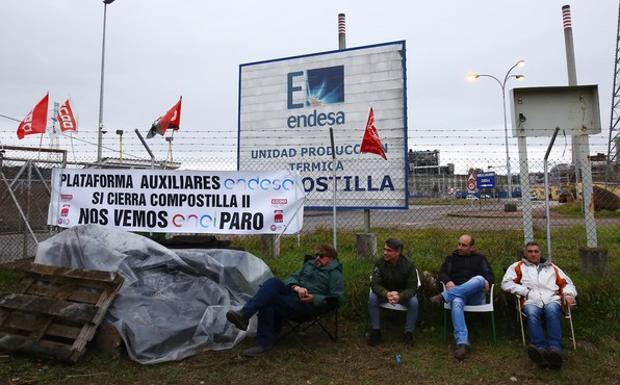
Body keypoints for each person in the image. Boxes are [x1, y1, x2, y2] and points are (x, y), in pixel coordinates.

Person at [226, 244, 344, 357]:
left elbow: (337, 298)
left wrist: (314, 298)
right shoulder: (310, 264)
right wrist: (297, 287)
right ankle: (244, 315)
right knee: (273, 282)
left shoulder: (334, 274)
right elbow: (292, 277)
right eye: (317, 255)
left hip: (306, 305)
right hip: (293, 293)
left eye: (321, 256)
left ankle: (263, 343)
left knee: (270, 300)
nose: (317, 258)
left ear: (331, 259)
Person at [501, 242, 577, 369]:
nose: (533, 254)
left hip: (552, 298)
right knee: (532, 314)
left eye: (536, 251)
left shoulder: (552, 267)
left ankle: (555, 349)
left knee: (552, 311)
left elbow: (567, 283)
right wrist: (526, 292)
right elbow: (506, 283)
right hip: (531, 300)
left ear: (540, 253)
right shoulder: (517, 266)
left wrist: (569, 294)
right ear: (525, 253)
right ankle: (539, 348)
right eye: (530, 251)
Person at [430, 234, 494, 360]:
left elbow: (490, 276)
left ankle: (444, 296)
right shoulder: (451, 258)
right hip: (459, 295)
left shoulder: (480, 258)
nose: (459, 247)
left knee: (479, 279)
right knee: (457, 301)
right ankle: (462, 343)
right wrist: (447, 281)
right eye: (459, 244)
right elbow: (442, 274)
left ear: (472, 248)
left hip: (476, 296)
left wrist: (487, 281)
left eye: (464, 245)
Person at [367, 238, 419, 346]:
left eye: (389, 250)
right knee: (372, 298)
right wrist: (386, 293)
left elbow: (413, 287)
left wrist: (400, 296)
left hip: (402, 296)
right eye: (384, 249)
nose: (385, 252)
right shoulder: (379, 262)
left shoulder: (409, 264)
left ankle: (408, 333)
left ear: (398, 252)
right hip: (385, 294)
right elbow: (374, 283)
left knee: (414, 302)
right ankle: (376, 331)